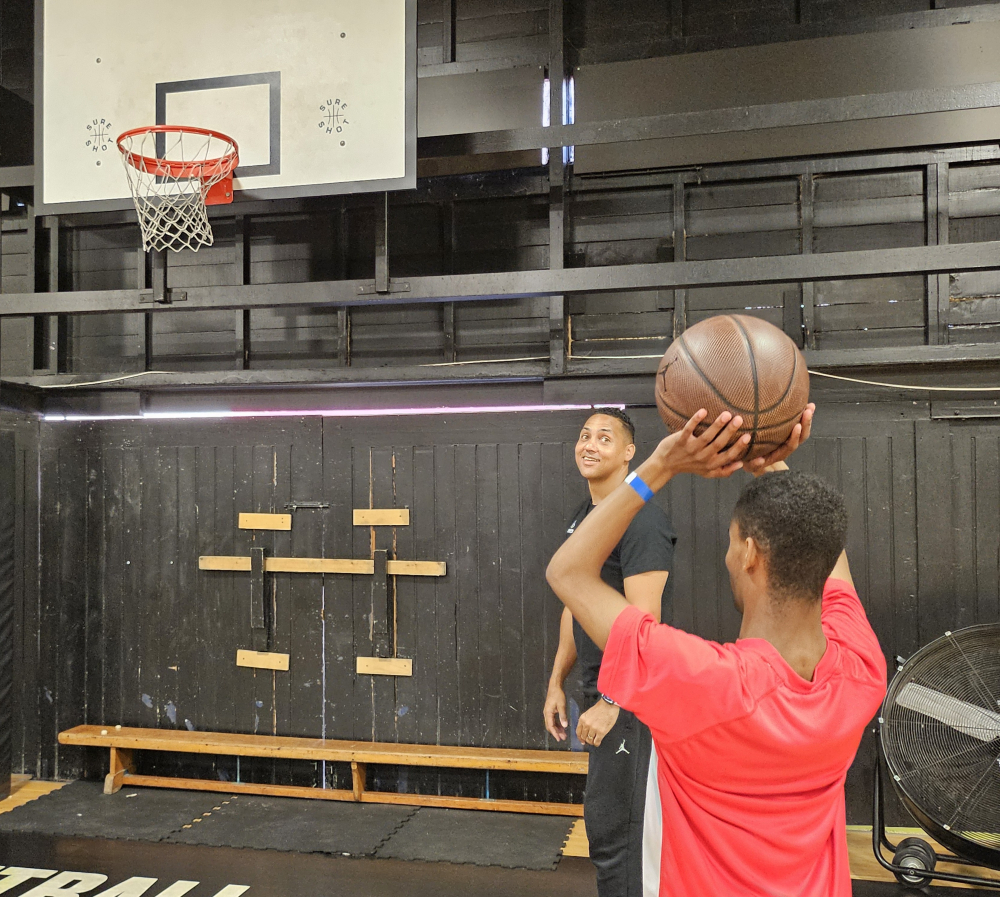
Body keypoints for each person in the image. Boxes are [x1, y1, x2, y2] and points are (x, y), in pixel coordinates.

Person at [546, 406, 886, 897]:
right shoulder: (862, 668)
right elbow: (822, 550)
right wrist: (768, 459)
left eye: (730, 543)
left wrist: (664, 464)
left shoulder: (701, 683)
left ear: (749, 554)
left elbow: (567, 573)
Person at [543, 407, 675, 897]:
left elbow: (648, 625)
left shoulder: (642, 523)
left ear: (629, 453)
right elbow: (572, 606)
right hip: (600, 693)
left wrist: (613, 701)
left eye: (604, 437)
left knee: (621, 836)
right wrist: (557, 681)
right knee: (604, 830)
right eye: (584, 436)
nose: (590, 444)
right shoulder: (585, 520)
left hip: (630, 702)